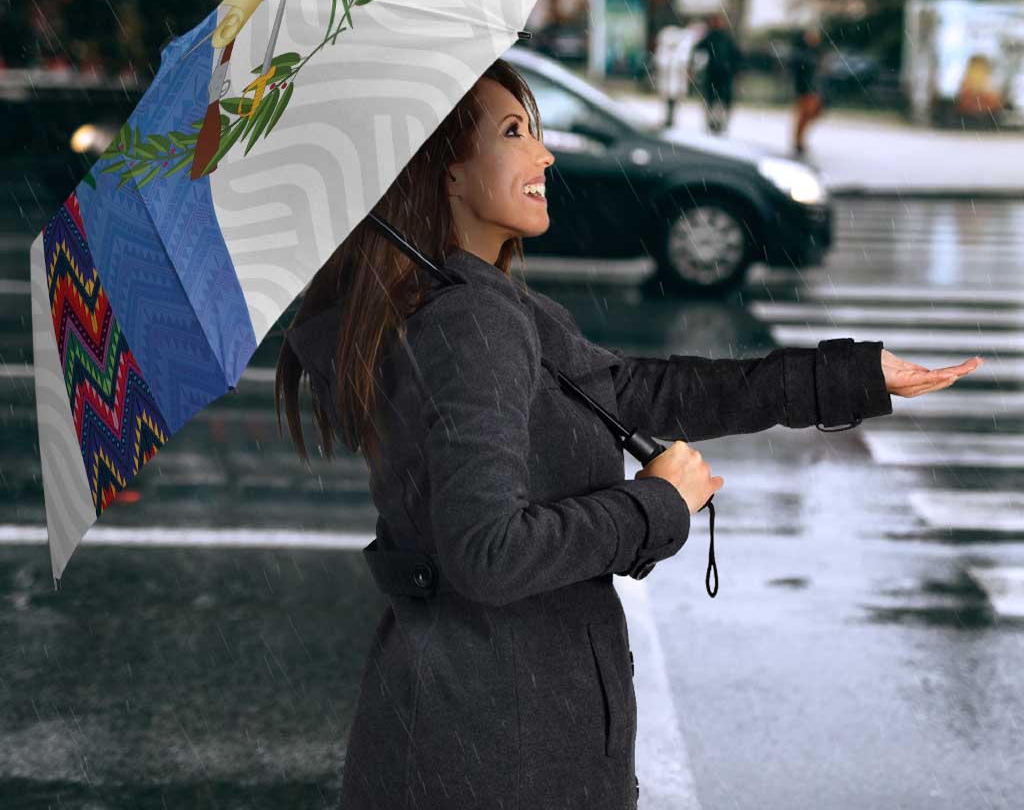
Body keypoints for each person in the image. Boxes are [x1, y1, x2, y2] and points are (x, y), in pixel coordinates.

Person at [276, 57, 979, 810]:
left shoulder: (476, 304)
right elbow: (487, 553)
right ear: (444, 171)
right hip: (499, 748)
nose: (544, 154)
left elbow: (641, 391)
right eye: (514, 132)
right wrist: (655, 505)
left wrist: (850, 377)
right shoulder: (470, 322)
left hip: (479, 726)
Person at [692, 12, 742, 135]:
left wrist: (735, 70)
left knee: (720, 101)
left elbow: (736, 56)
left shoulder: (725, 38)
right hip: (715, 74)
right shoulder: (712, 37)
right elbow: (698, 50)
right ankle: (713, 123)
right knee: (713, 100)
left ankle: (719, 123)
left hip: (723, 74)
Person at [790, 25, 826, 156]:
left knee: (812, 114)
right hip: (805, 89)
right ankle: (798, 141)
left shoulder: (817, 52)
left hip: (814, 89)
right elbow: (799, 72)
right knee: (804, 115)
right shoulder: (802, 53)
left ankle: (799, 140)